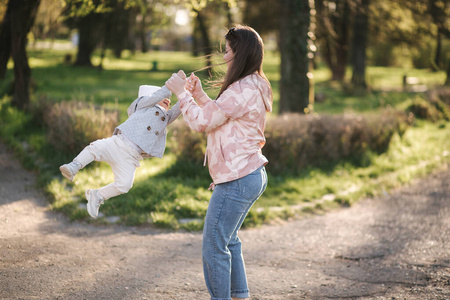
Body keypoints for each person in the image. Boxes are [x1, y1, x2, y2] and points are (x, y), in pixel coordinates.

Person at [165, 25, 272, 300]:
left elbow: (202, 123)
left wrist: (182, 94)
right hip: (250, 174)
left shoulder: (240, 89)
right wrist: (199, 96)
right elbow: (220, 115)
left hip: (238, 179)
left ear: (241, 53)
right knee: (229, 240)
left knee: (214, 245)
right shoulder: (253, 84)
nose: (224, 57)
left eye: (227, 50)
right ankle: (239, 295)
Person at [59, 80, 182, 219]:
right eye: (163, 98)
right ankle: (74, 166)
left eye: (169, 100)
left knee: (124, 185)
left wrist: (187, 94)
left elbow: (176, 110)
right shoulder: (141, 106)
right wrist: (170, 86)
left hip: (131, 158)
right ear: (151, 98)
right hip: (118, 143)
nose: (168, 100)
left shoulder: (163, 118)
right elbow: (155, 97)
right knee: (95, 148)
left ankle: (97, 195)